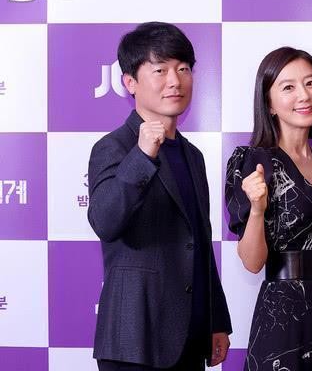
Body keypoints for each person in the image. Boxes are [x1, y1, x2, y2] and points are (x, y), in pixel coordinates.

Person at [88, 21, 232, 371]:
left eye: (183, 69)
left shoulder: (192, 155)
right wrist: (142, 156)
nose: (175, 81)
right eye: (160, 70)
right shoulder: (113, 147)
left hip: (189, 337)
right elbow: (105, 221)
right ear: (130, 83)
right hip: (134, 338)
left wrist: (216, 320)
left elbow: (198, 241)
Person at [225, 46, 312, 371]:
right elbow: (252, 262)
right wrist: (257, 209)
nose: (304, 95)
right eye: (288, 87)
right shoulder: (252, 161)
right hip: (284, 321)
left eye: (311, 83)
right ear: (269, 103)